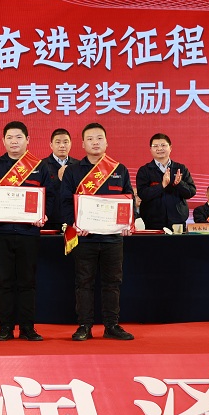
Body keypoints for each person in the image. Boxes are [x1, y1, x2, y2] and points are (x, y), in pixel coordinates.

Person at [0, 121, 54, 342]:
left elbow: (50, 196)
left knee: (27, 282)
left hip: (29, 233)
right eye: (9, 137)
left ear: (27, 140)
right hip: (0, 233)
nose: (14, 141)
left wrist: (43, 214)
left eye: (18, 137)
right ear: (3, 141)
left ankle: (28, 328)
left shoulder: (39, 167)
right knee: (3, 282)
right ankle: (6, 328)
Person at [62, 122, 135, 341]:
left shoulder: (119, 169)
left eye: (99, 138)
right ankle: (84, 326)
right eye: (90, 139)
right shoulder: (73, 171)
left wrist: (127, 224)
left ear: (106, 142)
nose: (95, 142)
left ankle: (111, 325)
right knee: (84, 282)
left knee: (112, 282)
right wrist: (76, 224)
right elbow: (65, 203)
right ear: (83, 144)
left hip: (113, 238)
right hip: (85, 238)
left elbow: (128, 200)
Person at [136, 133, 196, 231]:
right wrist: (162, 185)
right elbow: (143, 194)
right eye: (155, 146)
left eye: (163, 145)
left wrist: (179, 184)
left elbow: (191, 192)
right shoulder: (145, 170)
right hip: (152, 222)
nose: (159, 148)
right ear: (150, 149)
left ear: (170, 148)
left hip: (177, 221)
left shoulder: (180, 168)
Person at [44, 128, 79, 231]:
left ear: (70, 144)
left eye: (65, 142)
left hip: (74, 221)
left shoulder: (79, 165)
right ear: (51, 145)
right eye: (58, 142)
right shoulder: (42, 165)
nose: (62, 145)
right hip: (50, 220)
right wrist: (58, 179)